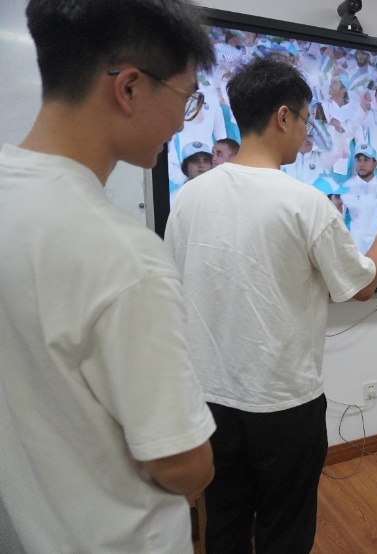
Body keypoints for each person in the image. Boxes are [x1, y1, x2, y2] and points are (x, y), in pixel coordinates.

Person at [164, 57, 377, 554]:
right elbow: (362, 285)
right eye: (304, 119)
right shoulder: (306, 203)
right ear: (282, 117)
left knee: (225, 523)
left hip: (211, 400)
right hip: (284, 404)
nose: (305, 131)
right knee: (286, 531)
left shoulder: (190, 197)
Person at [0, 1, 217, 552]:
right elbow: (184, 466)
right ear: (129, 88)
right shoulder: (126, 258)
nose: (182, 121)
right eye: (187, 97)